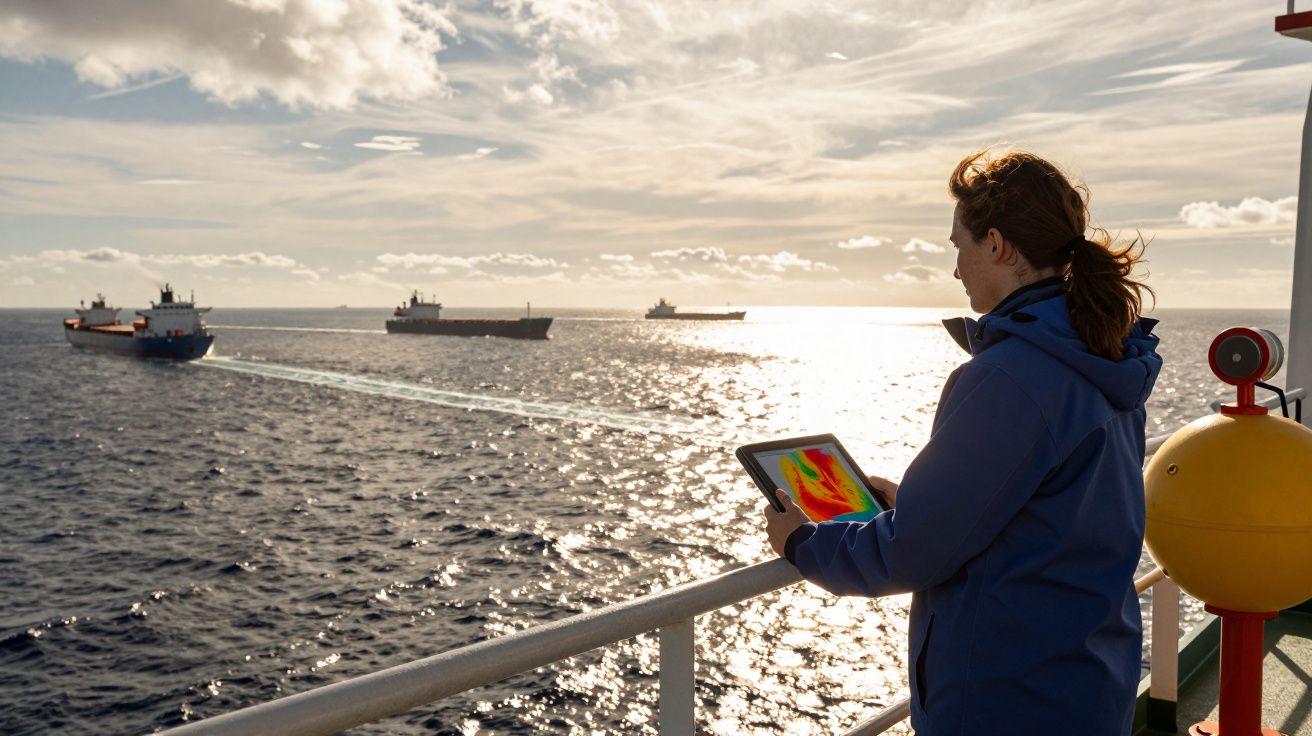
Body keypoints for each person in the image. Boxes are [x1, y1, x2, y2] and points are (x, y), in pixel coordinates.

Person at [763, 149, 1161, 735]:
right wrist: (921, 505)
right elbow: (1055, 510)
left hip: (1008, 697)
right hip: (1086, 677)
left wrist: (802, 543)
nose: (954, 268)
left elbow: (908, 555)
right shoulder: (1100, 355)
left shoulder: (1009, 377)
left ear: (997, 245)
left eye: (958, 245)